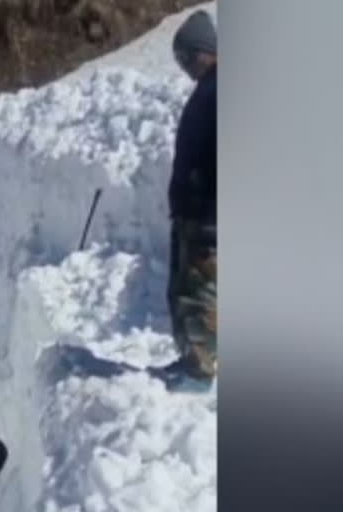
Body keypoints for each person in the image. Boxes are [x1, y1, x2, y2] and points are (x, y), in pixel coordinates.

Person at [161, 10, 217, 385]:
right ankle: (192, 359)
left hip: (207, 213)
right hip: (194, 212)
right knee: (184, 289)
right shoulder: (210, 86)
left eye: (185, 58)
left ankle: (202, 369)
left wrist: (203, 187)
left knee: (198, 291)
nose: (183, 67)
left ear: (201, 51)